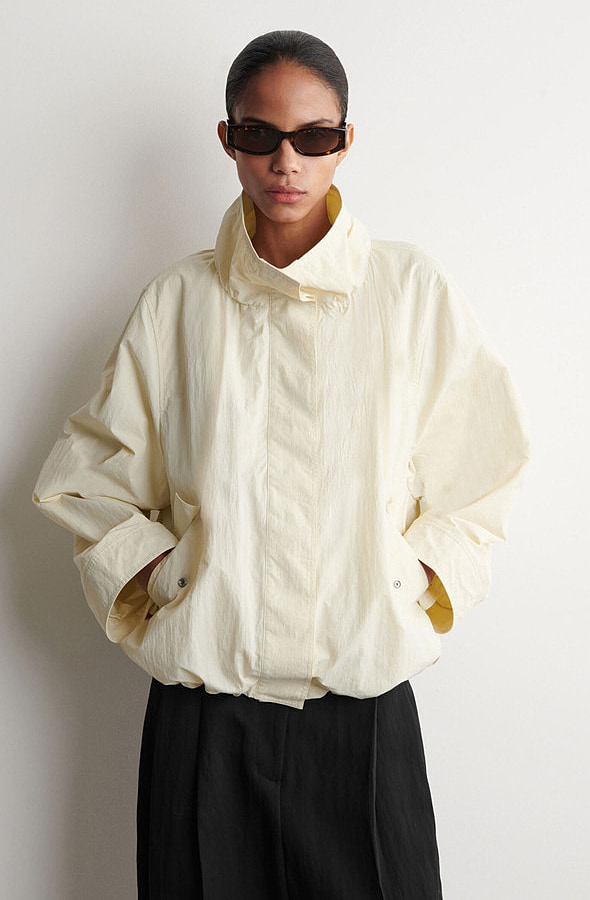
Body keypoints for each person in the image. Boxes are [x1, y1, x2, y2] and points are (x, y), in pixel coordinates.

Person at [34, 30, 529, 900]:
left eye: (314, 136)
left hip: (363, 717)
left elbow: (483, 471)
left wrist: (402, 580)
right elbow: (86, 478)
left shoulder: (410, 293)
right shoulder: (177, 303)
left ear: (346, 141)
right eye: (260, 135)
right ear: (228, 139)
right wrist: (173, 576)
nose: (286, 162)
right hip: (204, 720)